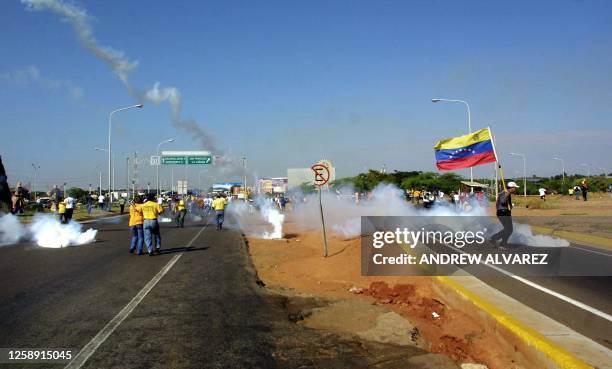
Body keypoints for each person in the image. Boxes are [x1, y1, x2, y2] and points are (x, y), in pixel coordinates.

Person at [490, 182, 519, 247]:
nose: (515, 189)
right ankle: (495, 239)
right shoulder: (505, 193)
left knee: (509, 229)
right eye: (515, 188)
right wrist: (507, 194)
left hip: (504, 212)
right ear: (511, 188)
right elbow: (503, 201)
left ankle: (501, 242)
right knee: (508, 229)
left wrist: (510, 206)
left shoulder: (506, 192)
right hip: (503, 212)